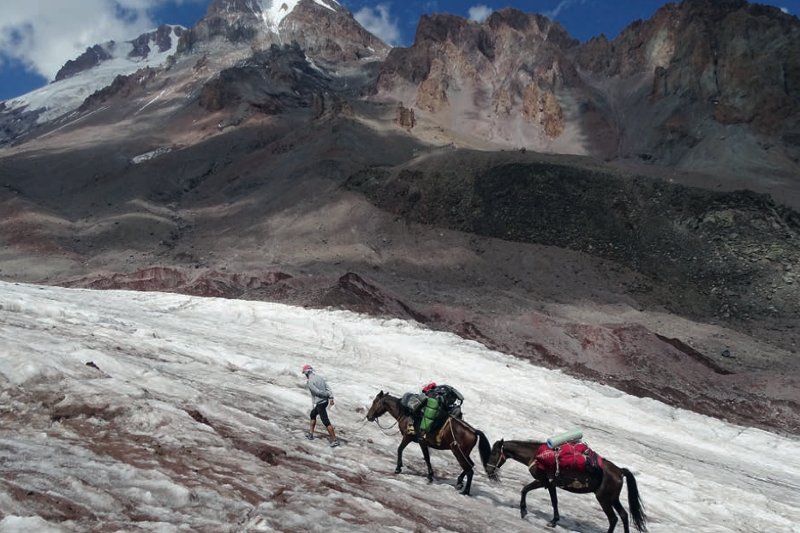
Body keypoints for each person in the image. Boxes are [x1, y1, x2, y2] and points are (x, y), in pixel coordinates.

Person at [302, 364, 339, 447]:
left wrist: (326, 395)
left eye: (304, 373)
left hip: (320, 403)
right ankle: (311, 434)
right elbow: (328, 388)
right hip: (324, 402)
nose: (305, 375)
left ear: (307, 373)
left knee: (326, 422)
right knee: (312, 414)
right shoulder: (320, 378)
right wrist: (331, 397)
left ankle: (335, 440)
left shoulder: (310, 382)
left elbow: (317, 392)